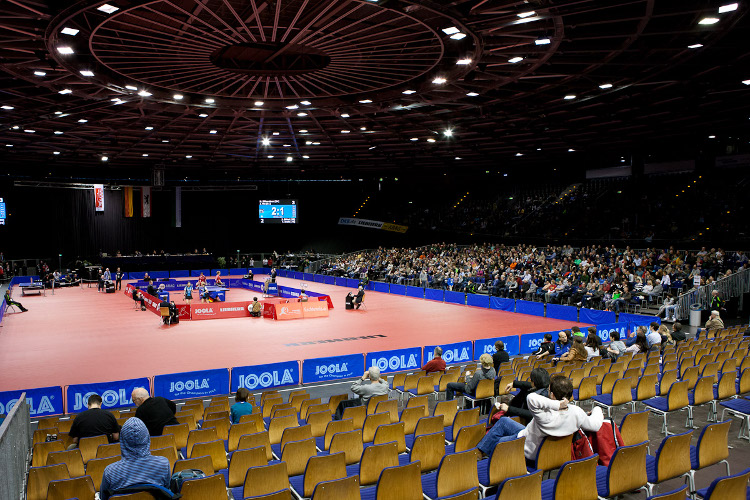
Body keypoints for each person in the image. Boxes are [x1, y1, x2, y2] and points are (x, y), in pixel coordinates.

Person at [477, 375, 604, 459]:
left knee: (498, 444)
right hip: (552, 452)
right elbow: (595, 424)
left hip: (530, 449)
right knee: (504, 421)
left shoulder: (545, 414)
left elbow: (531, 398)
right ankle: (481, 452)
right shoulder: (577, 412)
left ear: (553, 395)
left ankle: (487, 462)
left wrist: (557, 404)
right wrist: (597, 409)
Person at [99, 417, 171, 500]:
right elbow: (166, 492)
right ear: (147, 438)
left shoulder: (110, 472)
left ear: (122, 440)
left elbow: (103, 497)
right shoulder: (163, 464)